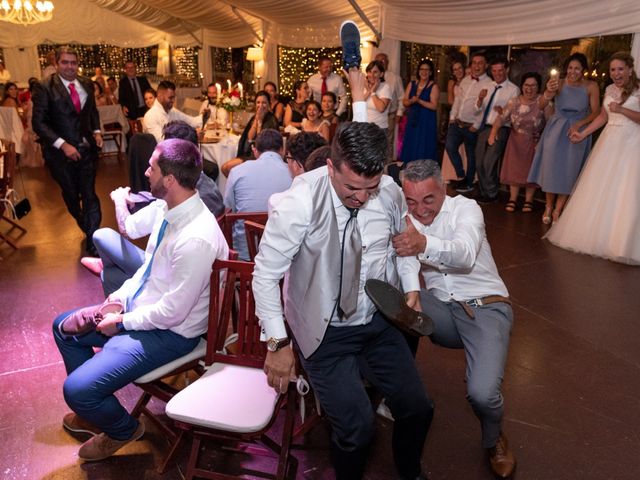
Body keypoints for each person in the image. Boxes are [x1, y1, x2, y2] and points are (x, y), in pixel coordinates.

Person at [253, 65, 432, 480]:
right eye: (353, 189)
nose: (362, 198)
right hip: (324, 329)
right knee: (357, 427)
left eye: (370, 189)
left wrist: (410, 286)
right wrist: (278, 343)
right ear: (331, 169)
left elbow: (401, 243)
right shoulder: (297, 204)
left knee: (418, 407)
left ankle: (411, 472)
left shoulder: (384, 190)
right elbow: (264, 275)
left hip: (376, 319)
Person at [52, 138, 229, 462]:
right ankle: (94, 413)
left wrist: (121, 321)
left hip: (172, 334)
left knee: (76, 390)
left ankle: (122, 428)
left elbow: (173, 313)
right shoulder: (170, 208)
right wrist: (117, 300)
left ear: (171, 180)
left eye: (152, 167)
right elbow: (146, 273)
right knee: (61, 328)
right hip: (146, 312)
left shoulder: (196, 237)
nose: (146, 172)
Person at [393, 159, 516, 479]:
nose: (420, 210)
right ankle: (387, 388)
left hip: (486, 307)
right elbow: (405, 260)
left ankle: (494, 440)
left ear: (443, 189)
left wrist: (424, 243)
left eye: (429, 199)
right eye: (412, 201)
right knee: (392, 301)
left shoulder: (467, 208)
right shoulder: (407, 218)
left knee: (482, 394)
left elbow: (464, 253)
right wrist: (410, 292)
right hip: (441, 311)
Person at [81, 120, 225, 293]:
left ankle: (111, 268)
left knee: (102, 244)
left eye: (154, 166)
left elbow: (128, 229)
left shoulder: (174, 209)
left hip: (169, 273)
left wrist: (120, 200)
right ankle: (112, 269)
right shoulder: (204, 190)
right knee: (110, 271)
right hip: (180, 270)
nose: (147, 172)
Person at [545, 52, 640, 264]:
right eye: (613, 70)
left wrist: (622, 109)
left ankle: (622, 242)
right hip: (609, 142)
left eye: (620, 69)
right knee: (602, 190)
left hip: (632, 144)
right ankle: (599, 237)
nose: (616, 73)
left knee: (625, 190)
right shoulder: (608, 89)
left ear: (630, 69)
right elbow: (604, 116)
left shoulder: (638, 88)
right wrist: (583, 133)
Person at [32, 46, 104, 256]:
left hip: (87, 150)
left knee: (90, 194)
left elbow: (92, 112)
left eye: (73, 62)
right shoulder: (44, 87)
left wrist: (97, 132)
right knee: (72, 195)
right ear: (56, 63)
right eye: (65, 62)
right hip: (59, 155)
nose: (70, 67)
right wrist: (63, 145)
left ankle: (93, 240)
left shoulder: (86, 83)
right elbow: (39, 123)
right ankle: (86, 225)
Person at [527, 52, 600, 224]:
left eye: (577, 68)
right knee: (551, 169)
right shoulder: (557, 83)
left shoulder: (591, 86)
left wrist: (581, 123)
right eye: (570, 68)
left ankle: (558, 210)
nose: (573, 72)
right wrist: (548, 92)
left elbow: (596, 112)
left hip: (578, 132)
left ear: (583, 71)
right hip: (556, 129)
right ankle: (548, 206)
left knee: (569, 171)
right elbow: (540, 105)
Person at [224, 128, 291, 260]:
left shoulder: (237, 172)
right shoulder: (293, 174)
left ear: (255, 151)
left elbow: (228, 209)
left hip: (244, 253)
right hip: (281, 255)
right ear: (282, 150)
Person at [489, 72, 545, 212]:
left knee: (531, 170)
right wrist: (493, 132)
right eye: (526, 85)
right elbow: (501, 118)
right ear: (522, 86)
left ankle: (528, 200)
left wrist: (544, 141)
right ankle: (513, 198)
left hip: (535, 142)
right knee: (514, 169)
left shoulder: (544, 102)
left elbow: (552, 123)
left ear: (539, 87)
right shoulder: (514, 101)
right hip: (515, 141)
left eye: (533, 85)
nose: (529, 88)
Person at [474, 57, 520, 203]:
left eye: (500, 70)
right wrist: (480, 100)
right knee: (479, 161)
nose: (497, 73)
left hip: (500, 128)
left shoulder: (513, 89)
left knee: (489, 162)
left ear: (507, 70)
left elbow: (514, 115)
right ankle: (483, 191)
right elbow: (478, 109)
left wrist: (502, 112)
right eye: (494, 71)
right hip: (484, 127)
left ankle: (491, 193)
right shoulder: (488, 85)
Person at [445, 51, 493, 193]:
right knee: (450, 147)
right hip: (457, 123)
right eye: (474, 63)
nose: (477, 66)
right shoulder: (465, 80)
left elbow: (485, 107)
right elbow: (458, 100)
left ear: (486, 65)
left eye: (480, 63)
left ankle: (469, 182)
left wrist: (476, 125)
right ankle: (461, 176)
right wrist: (452, 117)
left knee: (471, 155)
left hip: (471, 127)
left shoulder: (489, 84)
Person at [222, 90, 279, 176]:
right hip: (250, 153)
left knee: (227, 167)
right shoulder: (255, 117)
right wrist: (256, 120)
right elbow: (249, 137)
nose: (260, 105)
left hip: (261, 155)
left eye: (264, 103)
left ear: (268, 105)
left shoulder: (271, 120)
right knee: (225, 168)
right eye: (258, 102)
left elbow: (262, 142)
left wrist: (259, 122)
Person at [400, 59, 439, 164]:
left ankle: (424, 173)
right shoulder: (412, 84)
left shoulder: (433, 86)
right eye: (422, 69)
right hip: (413, 120)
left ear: (430, 72)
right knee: (412, 143)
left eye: (427, 70)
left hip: (427, 121)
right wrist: (410, 101)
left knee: (424, 144)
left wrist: (419, 100)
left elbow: (434, 106)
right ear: (418, 71)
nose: (424, 72)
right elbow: (405, 101)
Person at [375, 52, 405, 160]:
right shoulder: (371, 77)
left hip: (389, 116)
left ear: (387, 63)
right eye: (378, 61)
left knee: (388, 142)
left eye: (383, 61)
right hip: (374, 116)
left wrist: (399, 113)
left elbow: (401, 97)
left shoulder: (395, 78)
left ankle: (386, 167)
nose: (381, 63)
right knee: (375, 142)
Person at [363, 60, 392, 131]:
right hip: (363, 127)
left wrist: (373, 93)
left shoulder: (385, 87)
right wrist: (369, 91)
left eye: (375, 72)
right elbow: (358, 104)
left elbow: (381, 109)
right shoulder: (364, 86)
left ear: (381, 74)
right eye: (369, 72)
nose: (372, 75)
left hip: (379, 129)